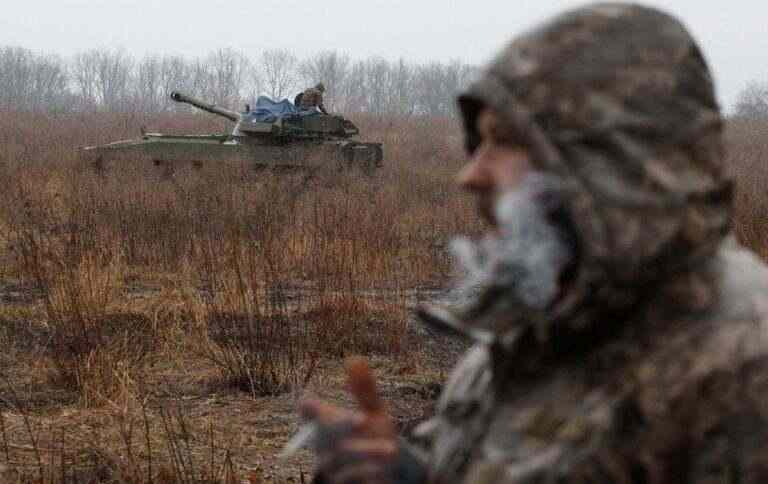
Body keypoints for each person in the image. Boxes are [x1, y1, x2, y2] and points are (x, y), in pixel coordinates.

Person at [297, 3, 768, 483]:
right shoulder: (546, 318)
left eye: (504, 141)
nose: (470, 174)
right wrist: (405, 472)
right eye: (477, 142)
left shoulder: (742, 364)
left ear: (605, 160)